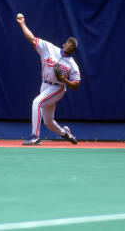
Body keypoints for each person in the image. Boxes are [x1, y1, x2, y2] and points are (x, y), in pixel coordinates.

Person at [16, 13, 81, 145]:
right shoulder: (49, 48)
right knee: (48, 121)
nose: (70, 45)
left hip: (58, 87)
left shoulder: (72, 64)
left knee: (37, 103)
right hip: (44, 85)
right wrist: (22, 24)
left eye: (72, 45)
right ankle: (66, 133)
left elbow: (76, 84)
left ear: (73, 50)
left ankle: (35, 136)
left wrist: (64, 80)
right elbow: (32, 39)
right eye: (69, 42)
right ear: (64, 43)